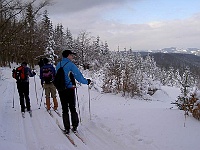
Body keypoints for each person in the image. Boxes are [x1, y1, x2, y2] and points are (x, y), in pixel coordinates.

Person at [56, 50, 91, 134]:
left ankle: (66, 128)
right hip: (70, 89)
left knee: (64, 109)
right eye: (71, 55)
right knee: (72, 108)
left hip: (61, 89)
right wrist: (86, 82)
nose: (72, 57)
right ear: (68, 55)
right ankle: (74, 126)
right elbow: (78, 76)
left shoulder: (58, 64)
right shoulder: (71, 65)